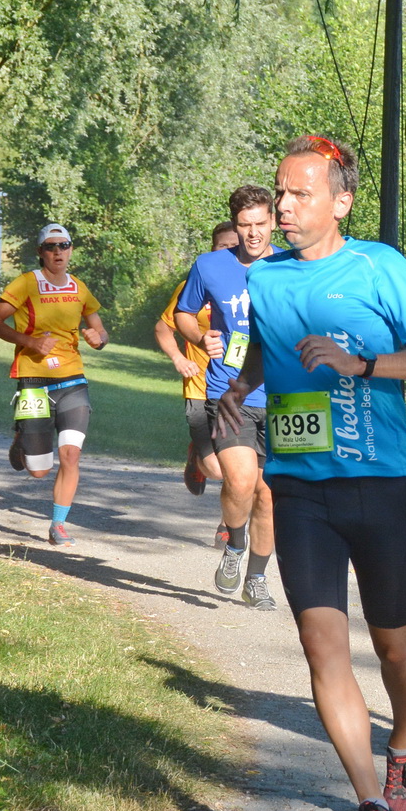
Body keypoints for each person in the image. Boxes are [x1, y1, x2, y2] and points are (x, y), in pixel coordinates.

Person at [216, 135, 406, 811]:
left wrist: (363, 363)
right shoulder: (263, 280)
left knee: (393, 644)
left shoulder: (380, 267)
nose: (283, 206)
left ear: (341, 201)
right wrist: (237, 388)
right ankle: (372, 807)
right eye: (280, 193)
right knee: (322, 644)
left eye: (299, 194)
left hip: (382, 482)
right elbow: (266, 345)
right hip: (300, 488)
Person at [175, 189, 280, 610]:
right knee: (239, 481)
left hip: (283, 398)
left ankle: (256, 579)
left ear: (274, 220)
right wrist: (201, 336)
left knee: (269, 494)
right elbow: (183, 312)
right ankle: (235, 546)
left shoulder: (292, 265)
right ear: (234, 226)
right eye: (244, 225)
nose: (252, 234)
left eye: (260, 223)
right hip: (228, 391)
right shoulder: (211, 264)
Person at [0, 224, 108, 545]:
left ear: (71, 250)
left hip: (72, 380)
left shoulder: (79, 288)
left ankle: (58, 524)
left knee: (70, 455)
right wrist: (28, 341)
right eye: (51, 246)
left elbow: (99, 330)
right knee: (38, 471)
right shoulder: (26, 283)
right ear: (40, 252)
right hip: (34, 380)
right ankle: (22, 437)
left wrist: (99, 339)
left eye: (64, 245)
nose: (58, 252)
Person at [156, 221, 239, 498]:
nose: (228, 250)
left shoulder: (253, 282)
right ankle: (197, 457)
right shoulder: (194, 283)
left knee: (240, 463)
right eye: (222, 245)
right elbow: (163, 328)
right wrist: (178, 358)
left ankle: (228, 526)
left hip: (240, 387)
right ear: (212, 249)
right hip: (200, 386)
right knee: (217, 469)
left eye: (234, 245)